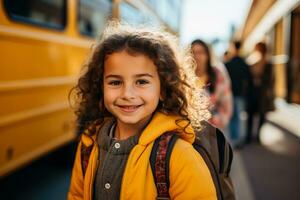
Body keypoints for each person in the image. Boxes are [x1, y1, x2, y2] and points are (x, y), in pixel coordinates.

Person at [68, 22, 217, 200]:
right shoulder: (88, 143)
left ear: (163, 89)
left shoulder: (180, 156)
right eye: (115, 82)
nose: (127, 94)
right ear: (100, 86)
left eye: (141, 82)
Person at [191, 39, 232, 131]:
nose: (196, 56)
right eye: (193, 52)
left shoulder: (218, 74)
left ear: (208, 55)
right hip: (189, 131)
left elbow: (226, 103)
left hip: (214, 130)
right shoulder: (184, 76)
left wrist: (215, 122)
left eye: (201, 52)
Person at [225, 41, 252, 148]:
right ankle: (239, 139)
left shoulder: (228, 63)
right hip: (240, 94)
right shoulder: (244, 64)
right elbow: (248, 80)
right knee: (240, 117)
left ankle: (233, 139)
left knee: (232, 117)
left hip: (231, 94)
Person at [246, 42, 275, 144]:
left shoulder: (268, 63)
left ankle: (257, 135)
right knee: (250, 114)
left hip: (262, 94)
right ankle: (248, 135)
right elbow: (247, 78)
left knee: (262, 115)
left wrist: (260, 78)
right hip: (252, 92)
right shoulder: (251, 61)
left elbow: (271, 80)